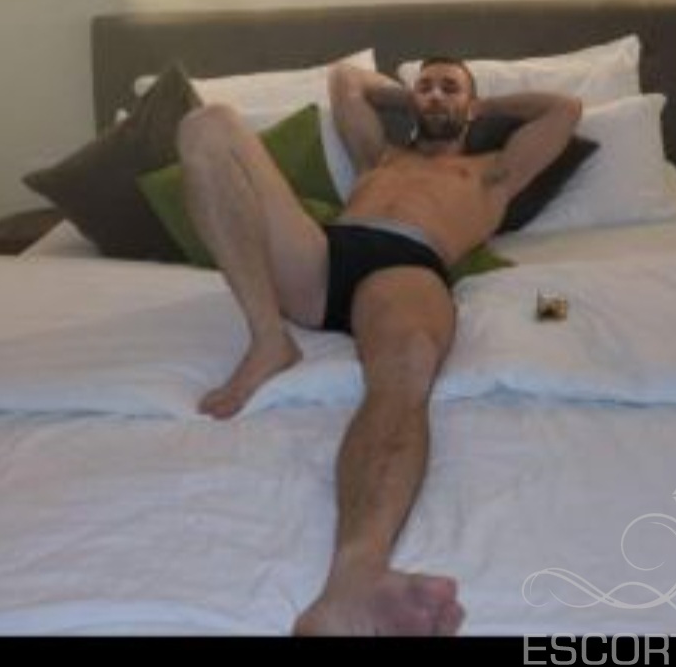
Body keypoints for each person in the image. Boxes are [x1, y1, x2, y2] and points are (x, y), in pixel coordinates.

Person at [176, 56, 582, 637]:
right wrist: (408, 95)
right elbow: (346, 80)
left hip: (405, 266)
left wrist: (483, 105)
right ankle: (269, 338)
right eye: (426, 86)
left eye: (450, 87)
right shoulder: (380, 155)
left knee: (407, 364)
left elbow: (564, 110)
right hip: (322, 256)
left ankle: (354, 578)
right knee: (207, 126)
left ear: (471, 104)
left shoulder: (493, 170)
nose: (435, 94)